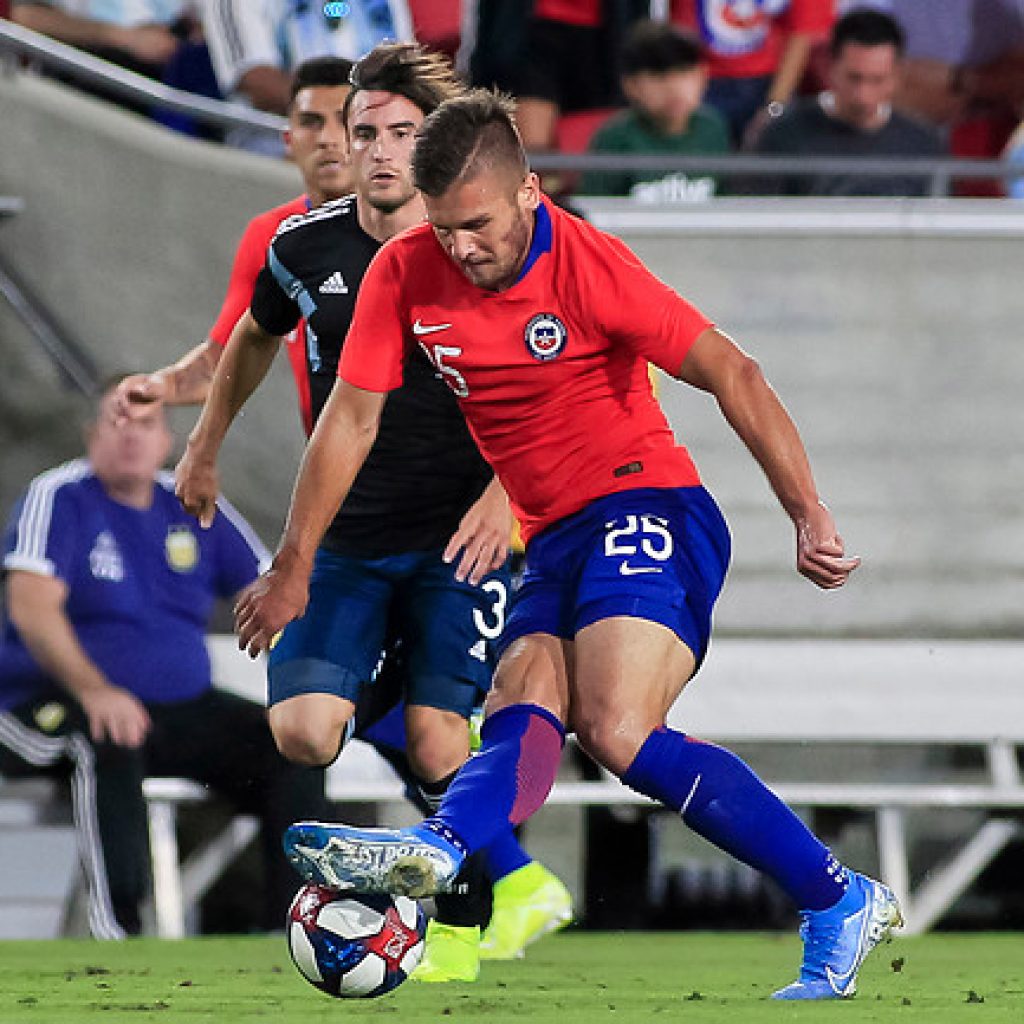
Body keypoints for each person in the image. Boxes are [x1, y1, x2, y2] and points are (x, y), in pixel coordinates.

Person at [240, 87, 903, 1001]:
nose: (461, 247)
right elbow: (349, 421)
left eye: (476, 224)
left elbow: (731, 371)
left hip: (649, 505)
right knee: (521, 706)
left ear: (528, 193)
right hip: (551, 536)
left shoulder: (588, 265)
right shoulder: (405, 270)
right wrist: (293, 562)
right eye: (444, 228)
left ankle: (836, 898)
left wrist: (807, 511)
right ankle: (439, 850)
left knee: (617, 728)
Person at [157, 43, 571, 981]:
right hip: (348, 537)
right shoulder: (303, 247)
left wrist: (502, 496)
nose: (379, 152)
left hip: (461, 540)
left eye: (400, 134)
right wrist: (204, 442)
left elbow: (552, 379)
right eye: (363, 134)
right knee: (303, 731)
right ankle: (459, 801)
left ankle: (465, 916)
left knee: (432, 740)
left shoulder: (475, 243)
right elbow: (254, 338)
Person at [0, 376, 326, 939]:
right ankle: (120, 931)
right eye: (116, 421)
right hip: (45, 705)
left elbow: (269, 593)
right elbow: (32, 610)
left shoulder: (194, 504)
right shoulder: (58, 497)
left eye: (145, 423)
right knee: (106, 733)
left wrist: (312, 681)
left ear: (168, 440)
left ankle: (293, 929)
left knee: (288, 747)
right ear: (91, 434)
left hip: (175, 709)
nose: (130, 436)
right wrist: (94, 689)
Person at [751, 8, 943, 196]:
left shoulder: (922, 144)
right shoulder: (784, 136)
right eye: (854, 78)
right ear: (830, 68)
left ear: (897, 76)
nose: (863, 95)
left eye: (877, 80)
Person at [199, 0, 414, 154]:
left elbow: (406, 71)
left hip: (374, 145)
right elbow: (257, 82)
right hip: (277, 150)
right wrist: (353, 120)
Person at [580, 20, 731, 201]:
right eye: (659, 76)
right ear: (631, 85)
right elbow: (594, 212)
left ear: (703, 76)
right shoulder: (614, 139)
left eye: (684, 73)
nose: (674, 87)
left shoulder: (714, 129)